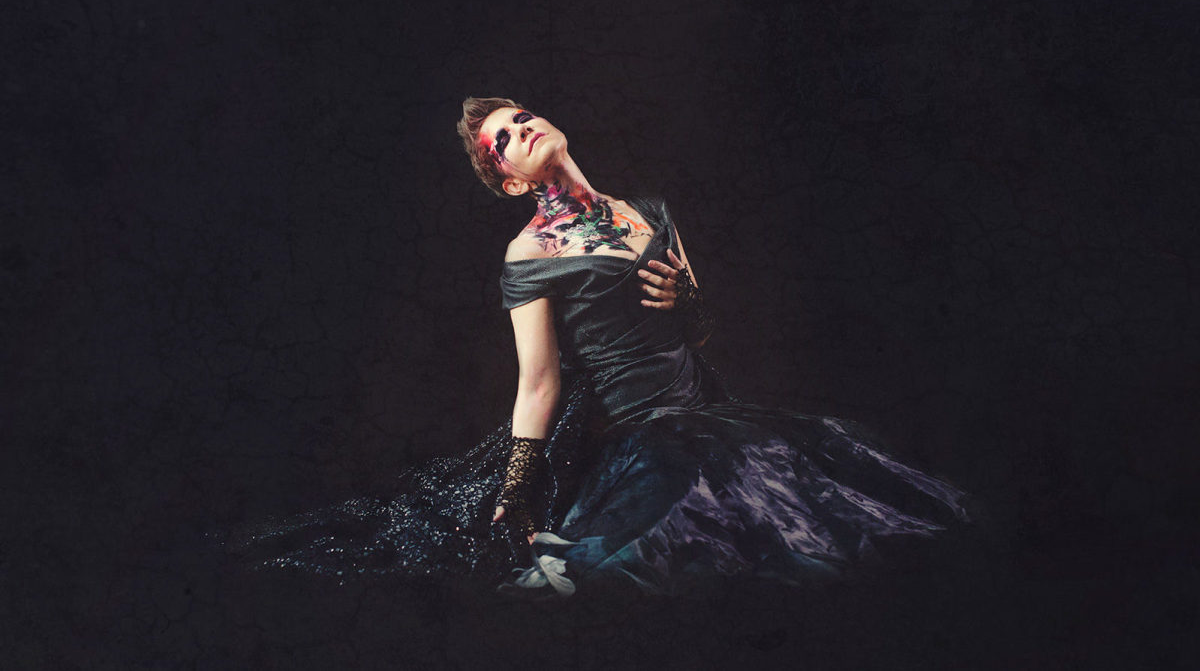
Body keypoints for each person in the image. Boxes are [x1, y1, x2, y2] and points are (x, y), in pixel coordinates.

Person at [225, 97, 969, 597]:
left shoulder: (650, 211)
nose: (521, 131)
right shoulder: (530, 253)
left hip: (710, 412)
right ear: (509, 183)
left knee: (836, 497)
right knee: (689, 533)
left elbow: (697, 328)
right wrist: (518, 486)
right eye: (503, 140)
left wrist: (689, 303)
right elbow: (539, 381)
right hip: (638, 433)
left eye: (521, 117)